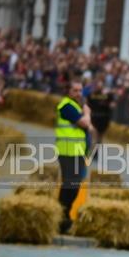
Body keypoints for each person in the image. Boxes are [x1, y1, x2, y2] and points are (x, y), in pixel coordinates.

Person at [56, 80, 93, 234]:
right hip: (68, 153)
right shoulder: (67, 106)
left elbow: (89, 127)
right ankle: (62, 217)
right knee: (70, 185)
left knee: (74, 185)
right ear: (68, 91)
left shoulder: (76, 106)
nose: (79, 93)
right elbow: (85, 123)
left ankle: (64, 216)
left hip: (77, 152)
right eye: (75, 90)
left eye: (80, 90)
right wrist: (87, 113)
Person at [86, 80, 114, 162]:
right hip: (95, 118)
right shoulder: (91, 95)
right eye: (98, 86)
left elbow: (112, 104)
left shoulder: (107, 95)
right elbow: (87, 105)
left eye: (101, 86)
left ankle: (95, 153)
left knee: (100, 138)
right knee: (95, 137)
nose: (99, 87)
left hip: (104, 119)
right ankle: (91, 153)